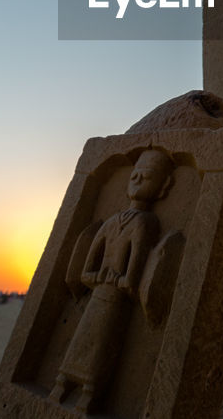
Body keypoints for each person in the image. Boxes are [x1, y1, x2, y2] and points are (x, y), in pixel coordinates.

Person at [50, 149, 175, 412]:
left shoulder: (145, 223)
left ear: (163, 188)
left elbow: (133, 275)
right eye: (135, 174)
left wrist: (122, 282)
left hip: (115, 303)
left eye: (148, 176)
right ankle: (62, 384)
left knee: (102, 347)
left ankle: (89, 394)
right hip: (97, 298)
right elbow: (85, 271)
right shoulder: (110, 222)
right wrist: (98, 278)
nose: (138, 179)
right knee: (80, 342)